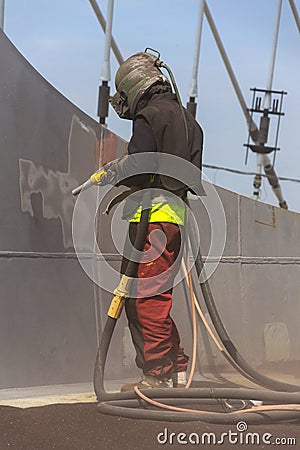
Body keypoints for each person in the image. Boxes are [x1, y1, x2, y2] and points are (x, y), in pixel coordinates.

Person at [92, 51, 203, 391]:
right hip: (173, 219)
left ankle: (157, 374)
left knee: (146, 299)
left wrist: (113, 171)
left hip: (152, 221)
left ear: (135, 87)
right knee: (153, 296)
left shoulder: (149, 116)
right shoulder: (187, 120)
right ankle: (177, 366)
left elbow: (138, 164)